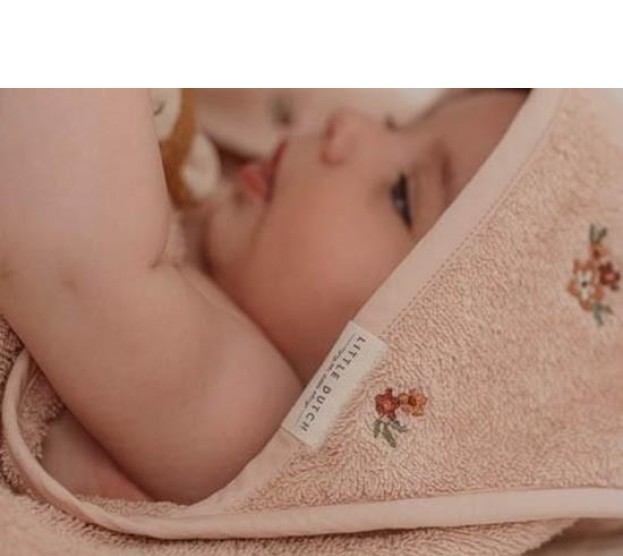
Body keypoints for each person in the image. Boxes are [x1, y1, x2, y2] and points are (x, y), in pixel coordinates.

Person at [0, 89, 527, 504]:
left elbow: (76, 264)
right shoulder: (202, 189)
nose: (350, 124)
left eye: (402, 194)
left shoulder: (254, 424)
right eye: (395, 126)